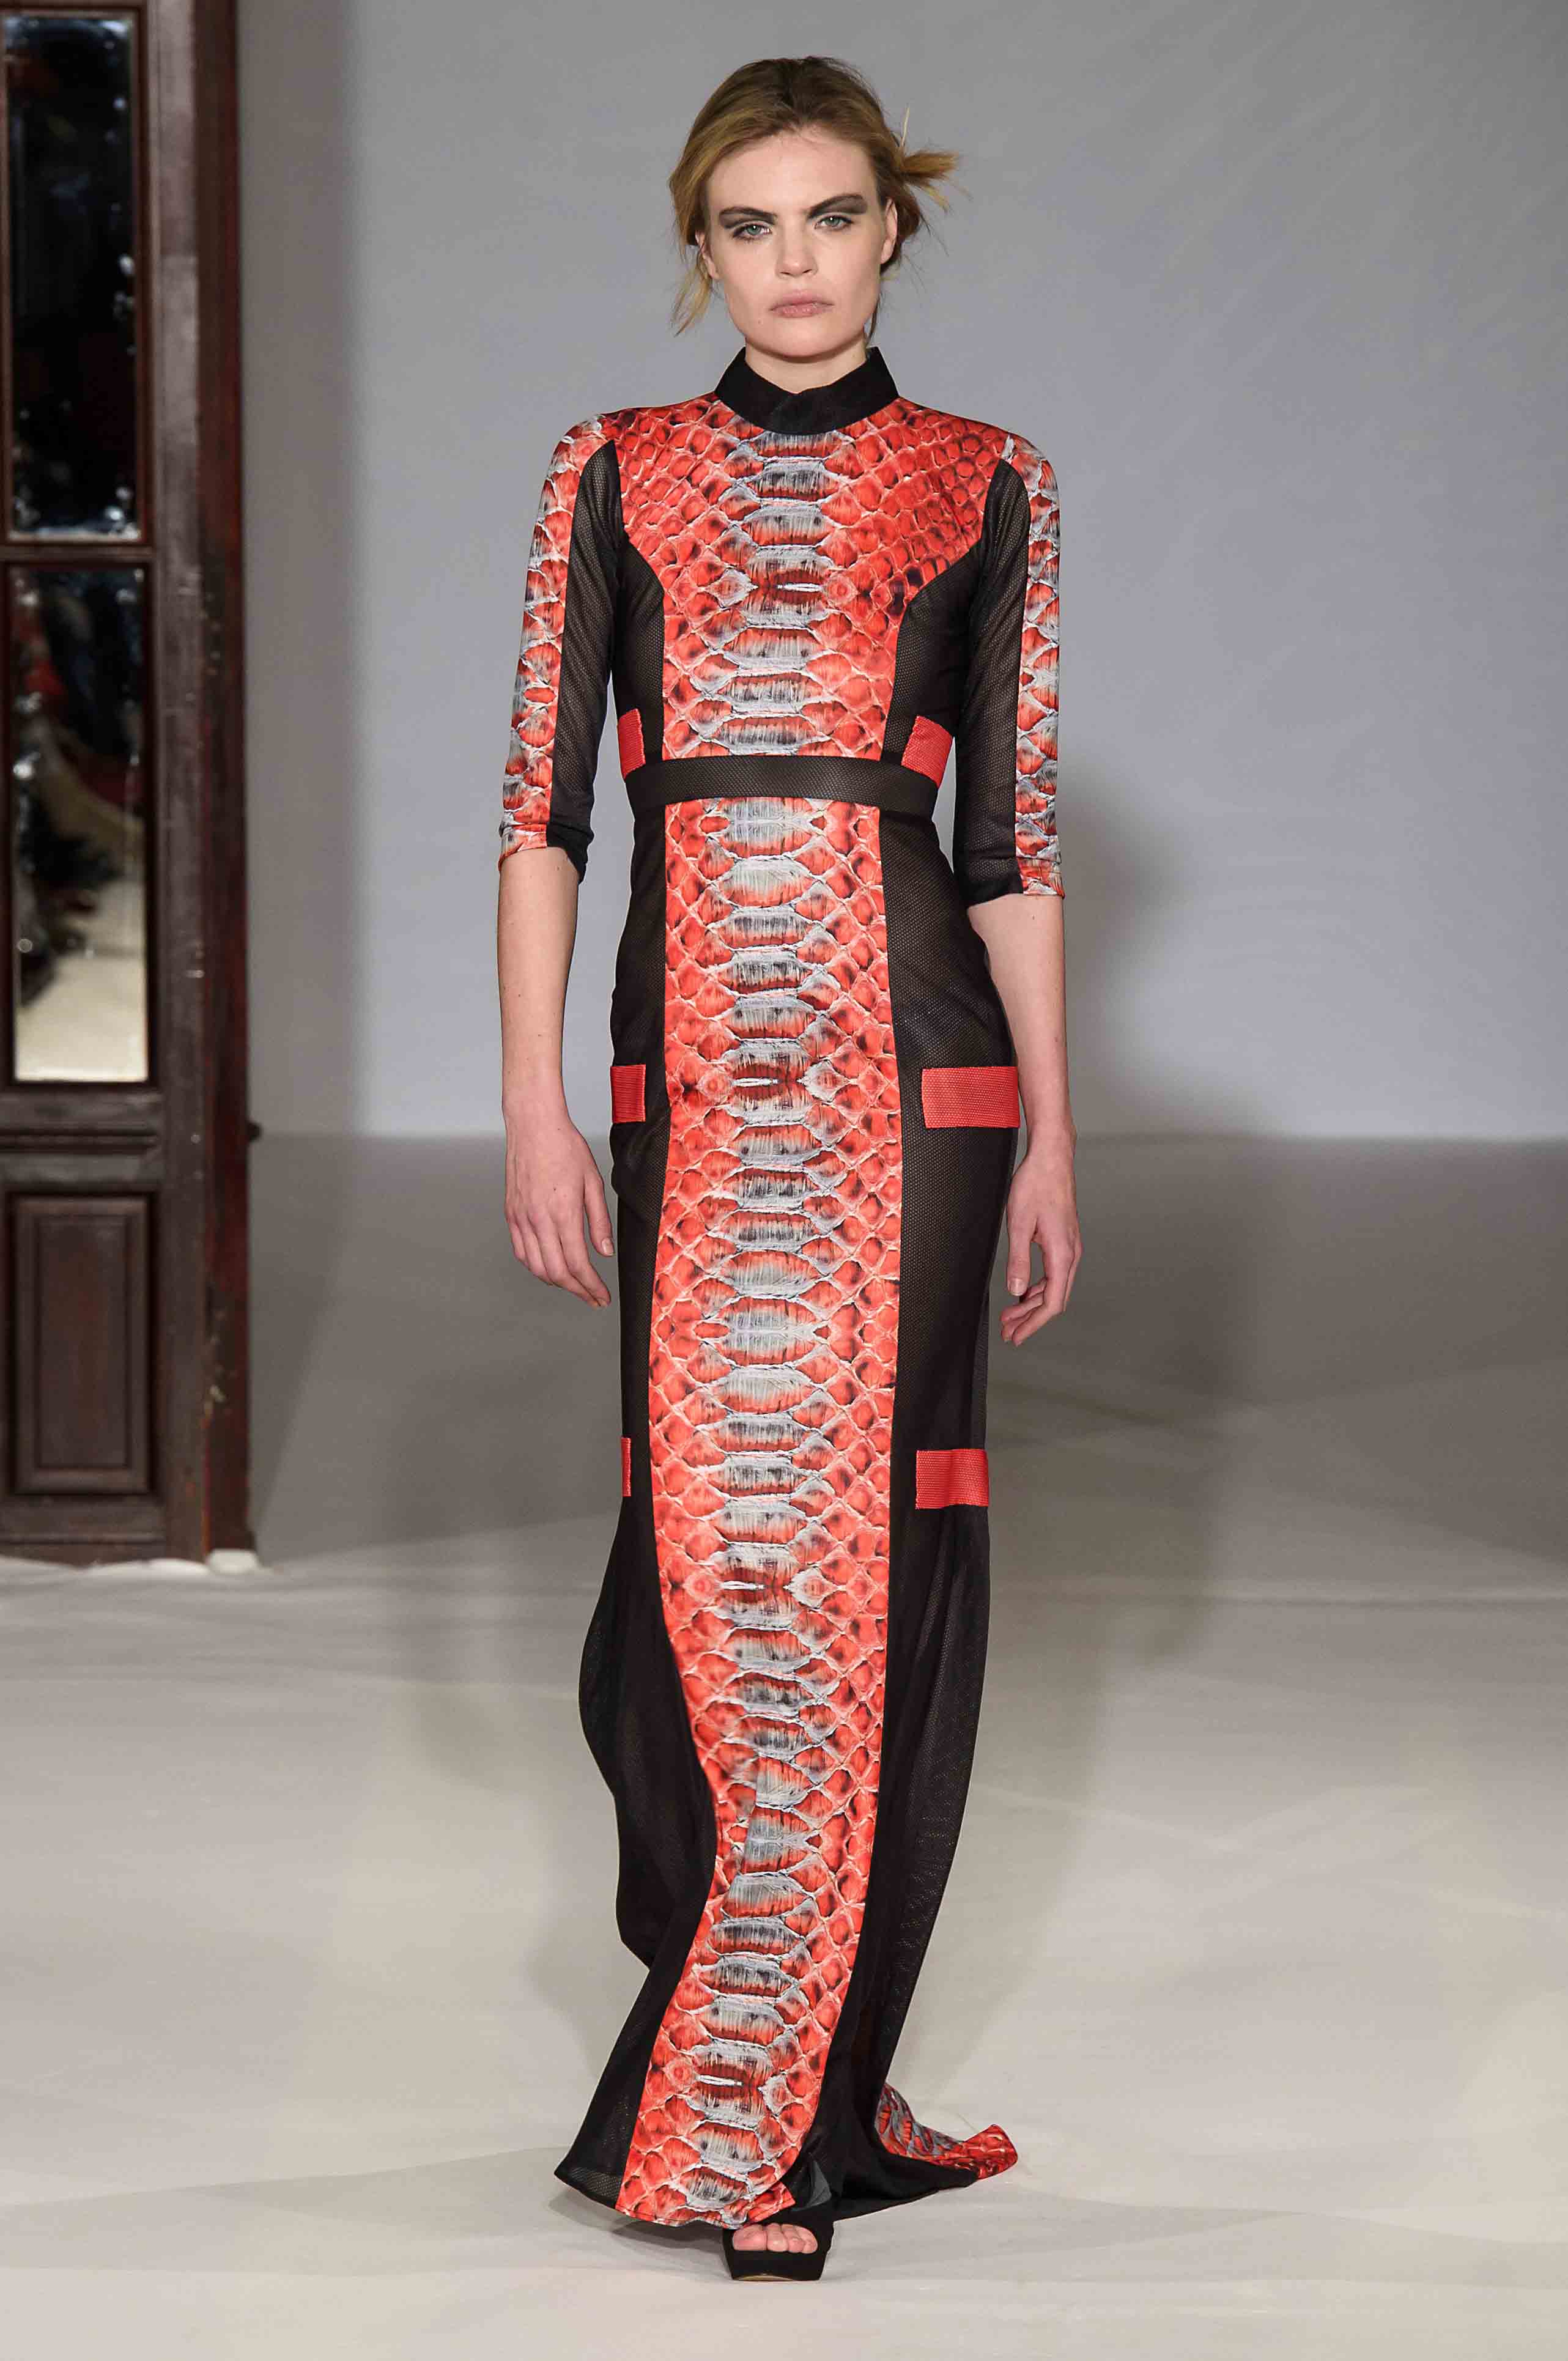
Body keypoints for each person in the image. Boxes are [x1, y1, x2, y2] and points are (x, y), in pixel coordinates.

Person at [496, 53, 1081, 2283]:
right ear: (702, 248)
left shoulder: (992, 481)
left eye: (832, 216)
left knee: (867, 1559)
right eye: (749, 226)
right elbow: (543, 818)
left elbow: (1007, 844)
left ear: (891, 229)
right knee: (708, 1549)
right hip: (687, 1079)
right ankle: (763, 2042)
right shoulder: (611, 471)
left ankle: (769, 2124)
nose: (795, 263)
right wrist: (534, 1100)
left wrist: (1054, 1135)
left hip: (921, 1077)